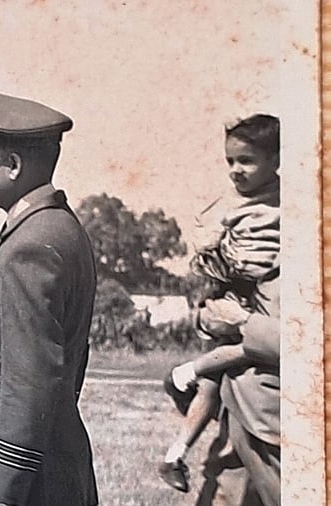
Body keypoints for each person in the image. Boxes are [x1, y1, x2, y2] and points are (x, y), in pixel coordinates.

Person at [0, 89, 98, 506]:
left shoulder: (29, 243)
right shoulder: (59, 228)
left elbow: (30, 377)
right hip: (49, 455)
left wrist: (3, 490)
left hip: (12, 469)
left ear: (13, 165)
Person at [159, 114, 280, 505]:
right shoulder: (232, 208)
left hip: (271, 403)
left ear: (276, 159)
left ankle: (188, 388)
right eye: (230, 162)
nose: (236, 171)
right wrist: (207, 310)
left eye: (246, 161)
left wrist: (238, 315)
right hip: (239, 397)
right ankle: (178, 448)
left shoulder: (285, 213)